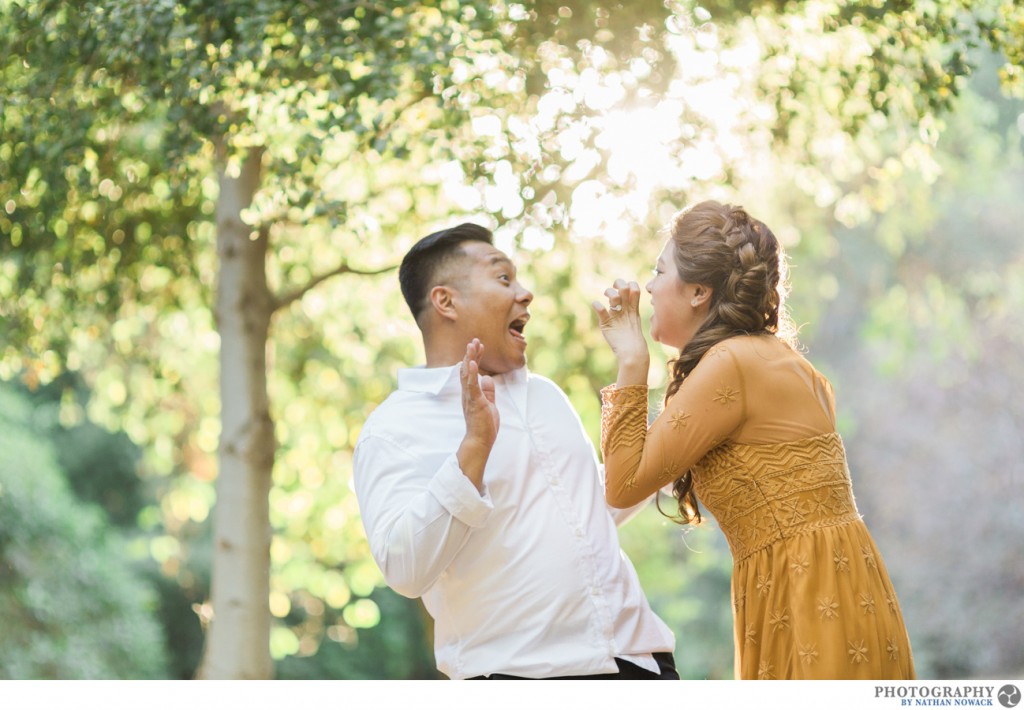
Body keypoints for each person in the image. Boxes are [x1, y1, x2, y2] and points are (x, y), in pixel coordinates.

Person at [591, 200, 915, 680]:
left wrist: (632, 361)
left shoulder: (731, 364)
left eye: (659, 271)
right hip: (843, 581)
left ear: (699, 291)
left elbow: (621, 487)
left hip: (804, 592)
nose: (652, 287)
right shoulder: (783, 361)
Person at [353, 223, 677, 680]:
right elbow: (405, 570)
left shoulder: (546, 396)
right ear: (446, 301)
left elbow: (589, 506)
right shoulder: (393, 428)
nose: (526, 294)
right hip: (520, 677)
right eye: (503, 278)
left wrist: (671, 427)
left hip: (641, 662)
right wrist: (473, 450)